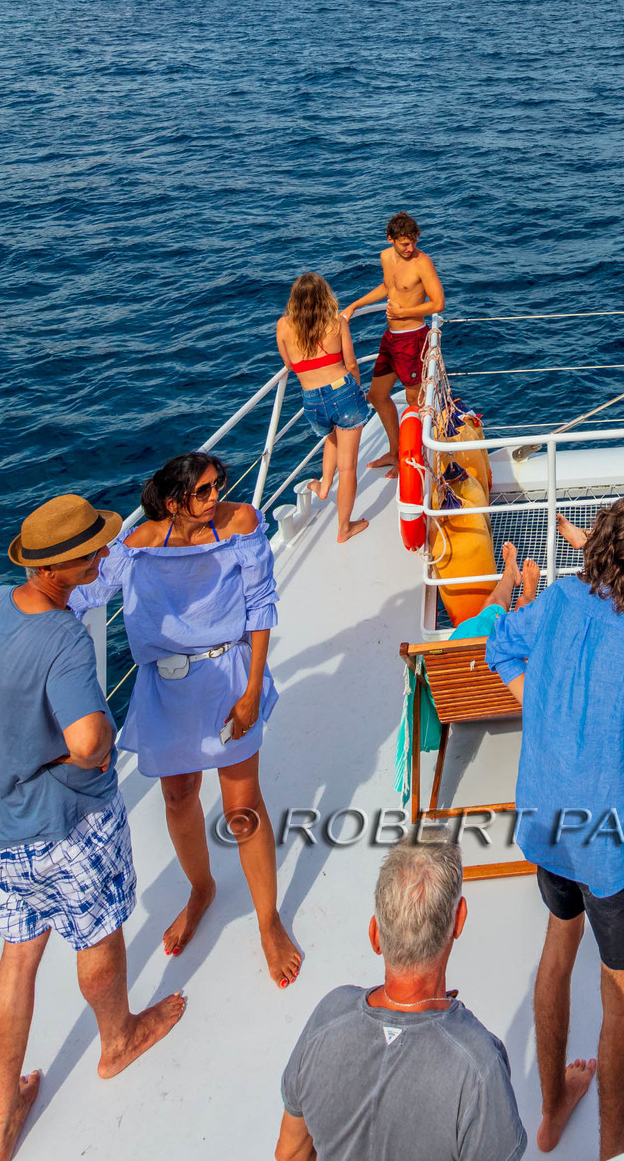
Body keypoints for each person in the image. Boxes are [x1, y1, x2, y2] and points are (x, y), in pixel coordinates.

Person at [0, 495, 186, 1161]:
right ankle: (116, 1040)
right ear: (58, 569)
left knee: (18, 953)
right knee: (98, 931)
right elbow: (90, 737)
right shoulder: (61, 636)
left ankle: (3, 1122)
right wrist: (74, 750)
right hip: (67, 821)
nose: (102, 556)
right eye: (93, 551)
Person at [486, 489, 624, 1159]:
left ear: (602, 538)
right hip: (610, 849)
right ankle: (614, 1151)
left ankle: (550, 1110)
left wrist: (545, 711)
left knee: (557, 950)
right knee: (622, 998)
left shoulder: (553, 602)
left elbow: (499, 646)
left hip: (546, 821)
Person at [73, 452, 300, 986]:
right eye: (203, 490)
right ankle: (202, 890)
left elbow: (262, 605)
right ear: (173, 503)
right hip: (166, 692)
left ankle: (268, 922)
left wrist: (251, 691)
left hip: (228, 679)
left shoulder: (239, 525)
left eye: (217, 484)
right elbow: (81, 592)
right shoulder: (137, 549)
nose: (216, 495)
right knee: (178, 798)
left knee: (243, 804)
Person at [276, 841, 527, 1161]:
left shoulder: (328, 1016)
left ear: (374, 934)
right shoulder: (478, 1066)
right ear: (459, 919)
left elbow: (290, 1153)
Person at [343, 211, 444, 471]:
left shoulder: (423, 262)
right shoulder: (385, 257)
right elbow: (389, 286)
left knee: (415, 401)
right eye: (404, 244)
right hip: (390, 339)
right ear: (390, 239)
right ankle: (395, 451)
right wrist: (354, 305)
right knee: (377, 395)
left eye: (413, 242)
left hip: (412, 338)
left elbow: (438, 303)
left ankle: (414, 459)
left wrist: (403, 313)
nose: (411, 248)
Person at [275, 273, 370, 545]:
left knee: (331, 436)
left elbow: (291, 365)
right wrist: (357, 391)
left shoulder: (283, 326)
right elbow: (351, 364)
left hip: (311, 400)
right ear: (324, 296)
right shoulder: (336, 323)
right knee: (349, 467)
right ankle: (344, 527)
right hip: (343, 391)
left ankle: (325, 485)